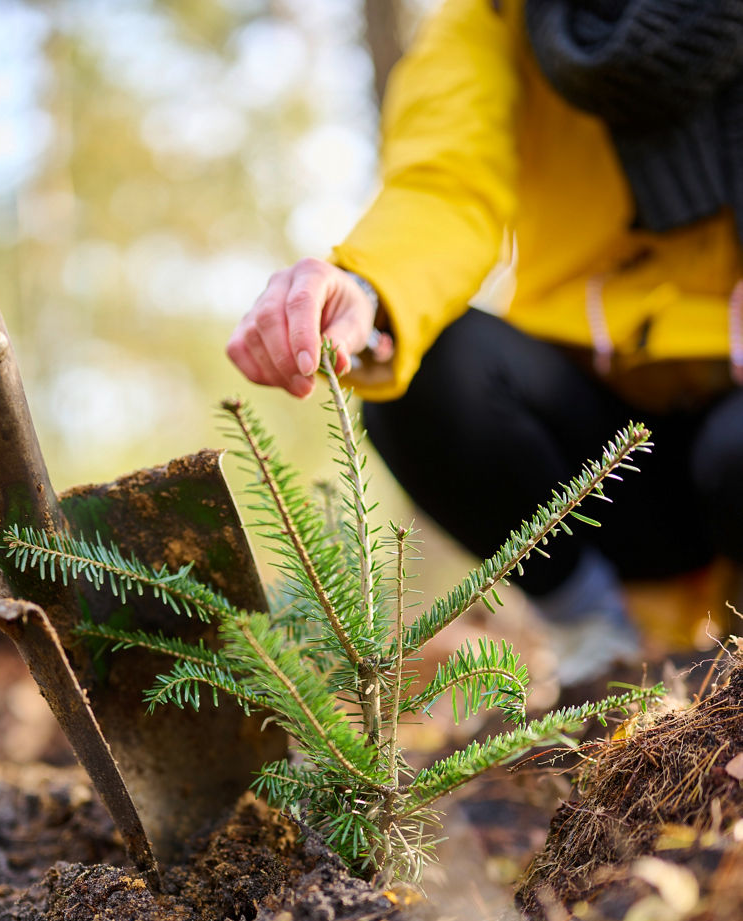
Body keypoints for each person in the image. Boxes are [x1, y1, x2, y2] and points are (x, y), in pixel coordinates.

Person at [227, 0, 743, 685]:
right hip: (600, 440)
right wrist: (371, 288)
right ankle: (597, 642)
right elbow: (446, 186)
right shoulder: (493, 17)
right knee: (431, 369)